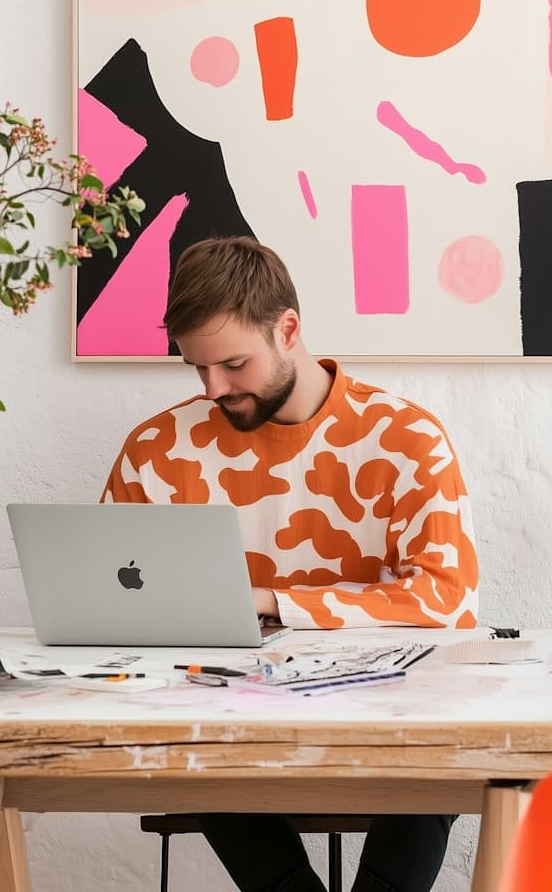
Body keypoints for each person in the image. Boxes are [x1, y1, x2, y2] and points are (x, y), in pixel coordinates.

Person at [103, 235, 479, 892]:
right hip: (222, 722)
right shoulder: (157, 450)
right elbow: (107, 598)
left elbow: (448, 598)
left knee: (452, 737)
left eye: (234, 364)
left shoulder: (405, 438)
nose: (214, 388)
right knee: (190, 738)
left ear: (289, 330)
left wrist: (270, 601)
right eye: (197, 369)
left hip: (389, 717)